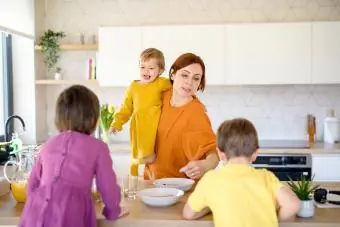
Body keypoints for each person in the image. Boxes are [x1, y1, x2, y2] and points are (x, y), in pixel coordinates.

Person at [19, 85, 127, 227]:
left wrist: (37, 206)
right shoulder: (98, 147)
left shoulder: (48, 144)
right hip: (71, 212)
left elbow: (32, 185)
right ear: (93, 117)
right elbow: (108, 187)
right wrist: (112, 211)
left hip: (36, 211)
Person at [182, 118, 301, 227]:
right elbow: (292, 204)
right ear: (255, 154)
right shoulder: (266, 177)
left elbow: (188, 214)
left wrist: (211, 205)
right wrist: (278, 221)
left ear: (220, 153)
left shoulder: (210, 179)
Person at [144, 53, 219, 180]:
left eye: (196, 78)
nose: (189, 82)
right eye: (184, 75)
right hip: (151, 184)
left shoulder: (196, 113)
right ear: (173, 74)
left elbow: (213, 154)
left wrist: (204, 165)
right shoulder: (159, 96)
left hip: (180, 189)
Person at [109, 48, 171, 176]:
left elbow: (179, 88)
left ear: (160, 71)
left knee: (154, 159)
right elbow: (125, 109)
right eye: (142, 67)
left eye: (151, 68)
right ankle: (135, 178)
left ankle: (148, 172)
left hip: (156, 127)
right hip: (139, 128)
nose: (146, 71)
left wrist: (194, 100)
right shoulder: (133, 87)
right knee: (139, 158)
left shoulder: (162, 83)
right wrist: (116, 123)